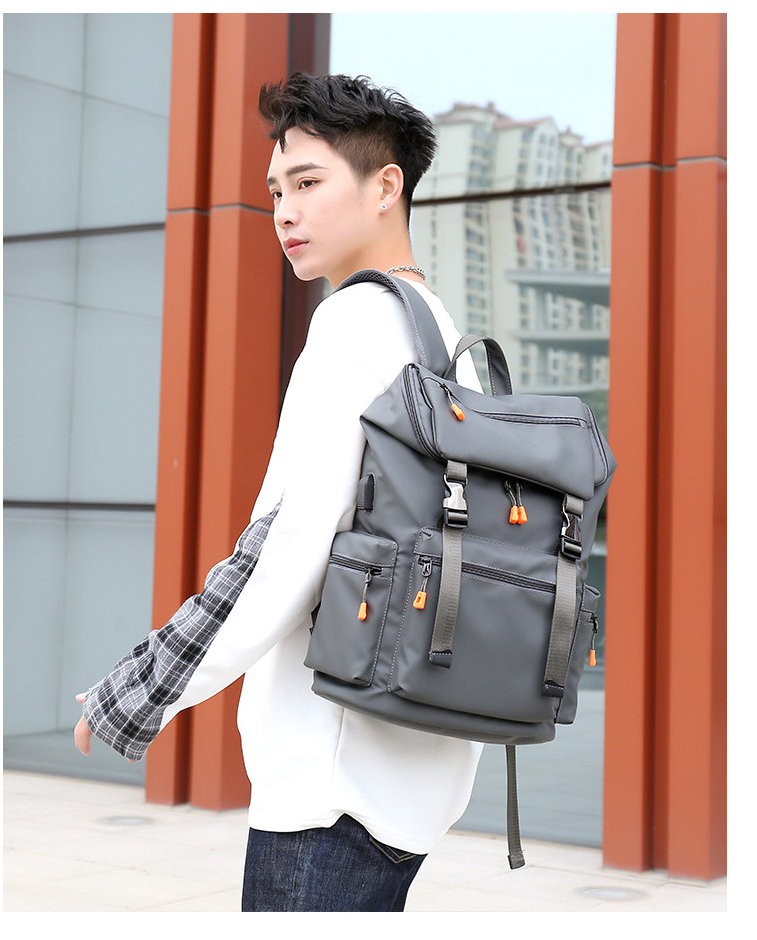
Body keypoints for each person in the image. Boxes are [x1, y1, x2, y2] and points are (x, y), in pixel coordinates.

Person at [74, 71, 483, 912]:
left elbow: (284, 549)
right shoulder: (446, 336)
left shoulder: (353, 324)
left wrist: (140, 690)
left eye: (307, 183)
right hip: (415, 769)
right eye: (275, 192)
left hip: (329, 780)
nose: (285, 212)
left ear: (385, 187)